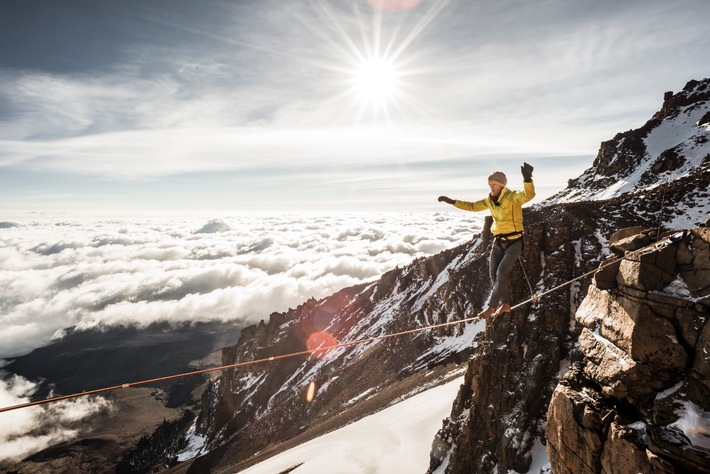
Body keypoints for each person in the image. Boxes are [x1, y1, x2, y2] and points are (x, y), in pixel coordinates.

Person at [438, 163, 535, 319]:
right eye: (490, 184)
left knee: (501, 273)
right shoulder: (489, 201)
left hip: (514, 242)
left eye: (493, 183)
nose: (491, 186)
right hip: (498, 242)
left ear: (502, 184)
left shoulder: (512, 197)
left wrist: (527, 178)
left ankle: (491, 307)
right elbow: (472, 206)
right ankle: (505, 304)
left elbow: (528, 195)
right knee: (493, 275)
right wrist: (452, 202)